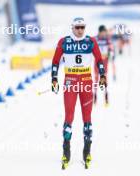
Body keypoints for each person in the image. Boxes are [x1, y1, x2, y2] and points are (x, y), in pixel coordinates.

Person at [51, 17, 106, 169]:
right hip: (70, 81)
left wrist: (102, 76)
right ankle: (66, 151)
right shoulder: (64, 41)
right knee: (69, 116)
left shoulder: (91, 41)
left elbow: (100, 60)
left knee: (87, 118)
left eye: (82, 27)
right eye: (77, 27)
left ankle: (86, 151)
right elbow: (55, 61)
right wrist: (53, 78)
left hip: (86, 81)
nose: (80, 30)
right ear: (72, 28)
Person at [94, 25, 114, 106]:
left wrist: (111, 54)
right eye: (102, 32)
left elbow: (111, 49)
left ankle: (106, 96)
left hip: (104, 61)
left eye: (104, 32)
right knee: (96, 78)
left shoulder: (107, 39)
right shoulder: (95, 39)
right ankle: (94, 96)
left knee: (104, 78)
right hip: (96, 61)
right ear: (99, 32)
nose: (103, 34)